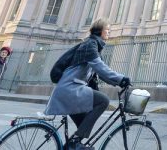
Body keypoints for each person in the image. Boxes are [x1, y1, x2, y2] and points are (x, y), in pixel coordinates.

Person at [45, 18, 131, 150]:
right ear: (100, 30)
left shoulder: (93, 45)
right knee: (103, 101)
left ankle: (72, 144)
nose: (109, 32)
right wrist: (121, 79)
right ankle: (74, 143)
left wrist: (119, 82)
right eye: (107, 30)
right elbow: (100, 67)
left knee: (84, 124)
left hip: (70, 89)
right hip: (70, 89)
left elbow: (101, 74)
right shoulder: (90, 44)